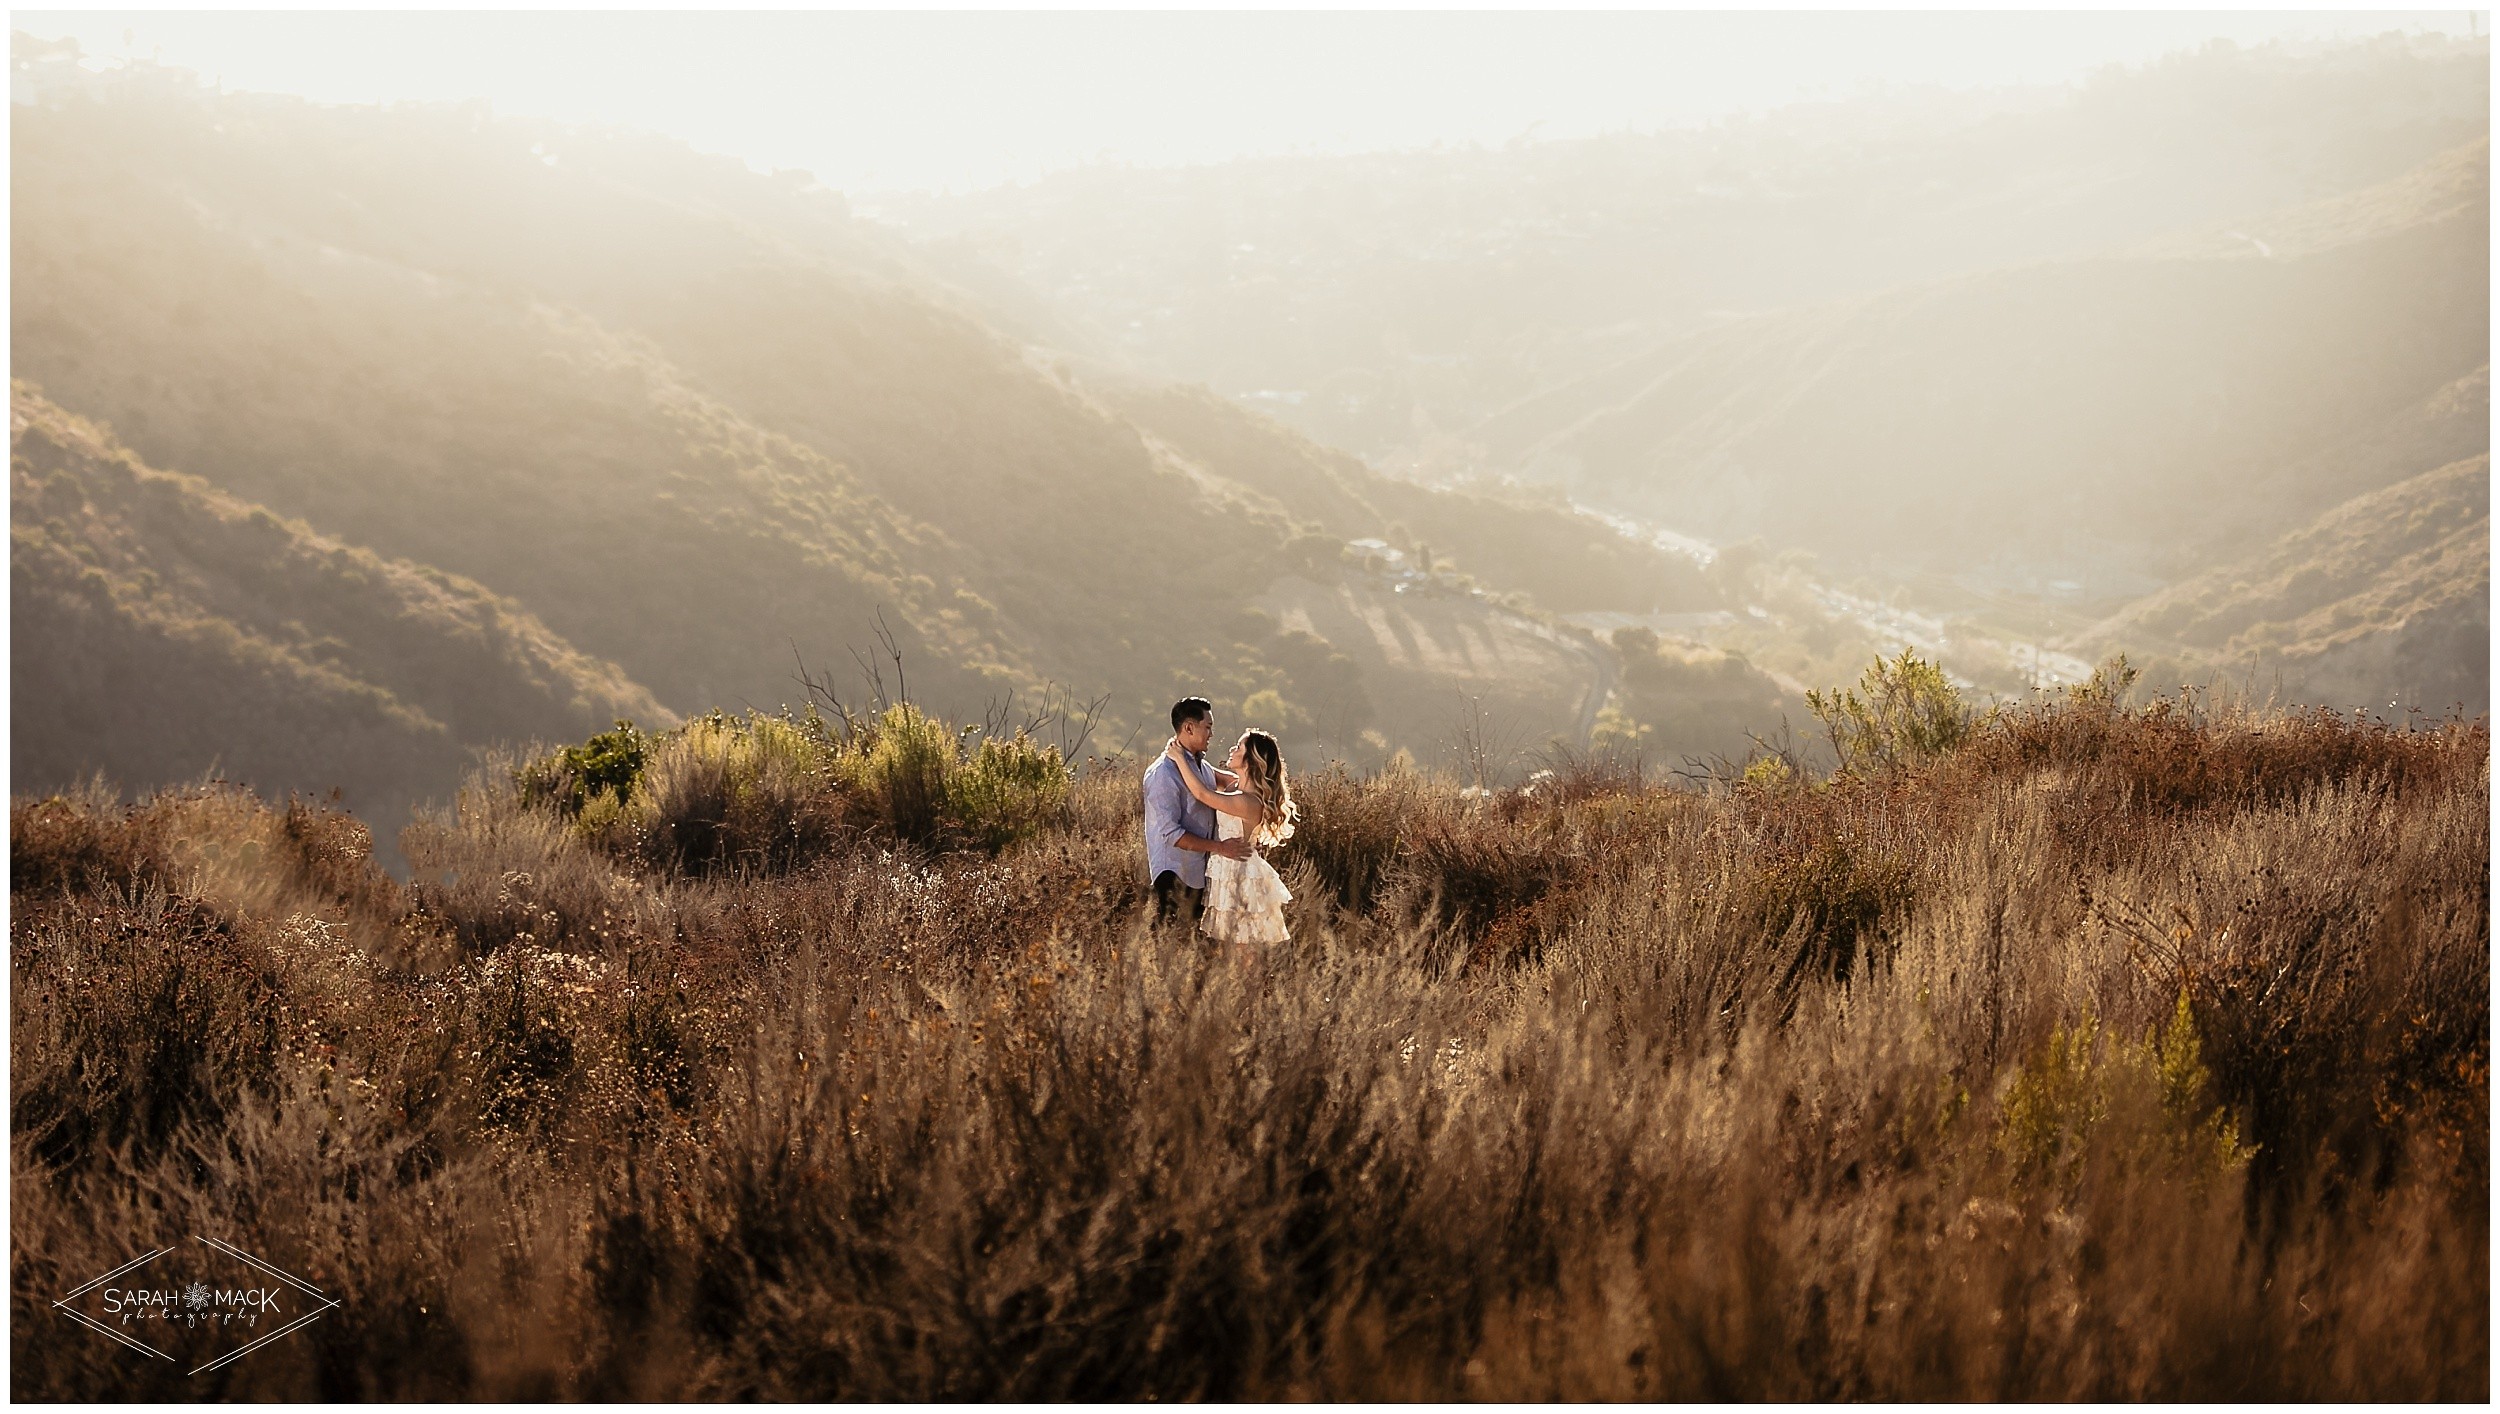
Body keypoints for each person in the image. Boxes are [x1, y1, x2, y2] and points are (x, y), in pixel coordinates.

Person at [1161, 726, 1297, 948]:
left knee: (1243, 946)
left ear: (1250, 760)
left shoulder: (1248, 802)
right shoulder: (1234, 784)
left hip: (1241, 874)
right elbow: (1209, 774)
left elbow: (1202, 794)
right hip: (1228, 869)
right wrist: (1188, 752)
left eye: (1240, 746)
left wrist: (1178, 757)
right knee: (1233, 945)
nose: (1233, 748)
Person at [1143, 697, 1248, 926]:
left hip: (1198, 876)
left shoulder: (1201, 766)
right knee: (1168, 948)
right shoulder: (1163, 774)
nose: (1211, 734)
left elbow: (1232, 781)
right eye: (1208, 727)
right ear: (1189, 728)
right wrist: (1221, 848)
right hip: (1173, 876)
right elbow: (1171, 834)